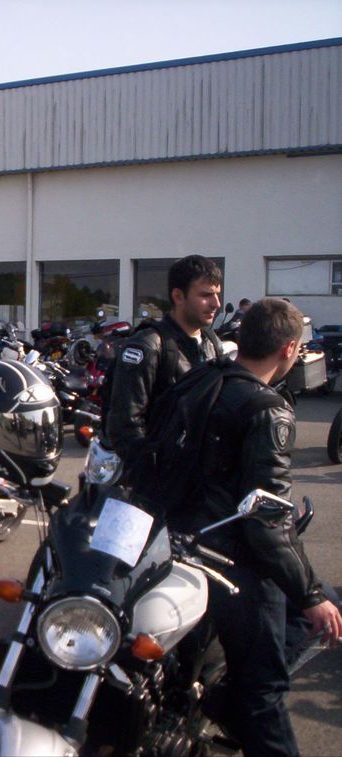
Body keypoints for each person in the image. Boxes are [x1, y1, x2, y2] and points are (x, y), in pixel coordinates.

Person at [165, 299, 341, 757]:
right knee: (266, 687)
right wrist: (310, 596)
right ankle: (236, 702)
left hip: (177, 543)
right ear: (288, 349)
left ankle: (223, 699)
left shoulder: (202, 378)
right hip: (234, 561)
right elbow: (267, 522)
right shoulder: (268, 409)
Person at [105, 254, 224, 470]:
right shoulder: (147, 346)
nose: (216, 303)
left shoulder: (212, 342)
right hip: (162, 486)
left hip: (201, 480)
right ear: (178, 296)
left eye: (217, 294)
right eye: (206, 295)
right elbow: (125, 424)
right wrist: (154, 472)